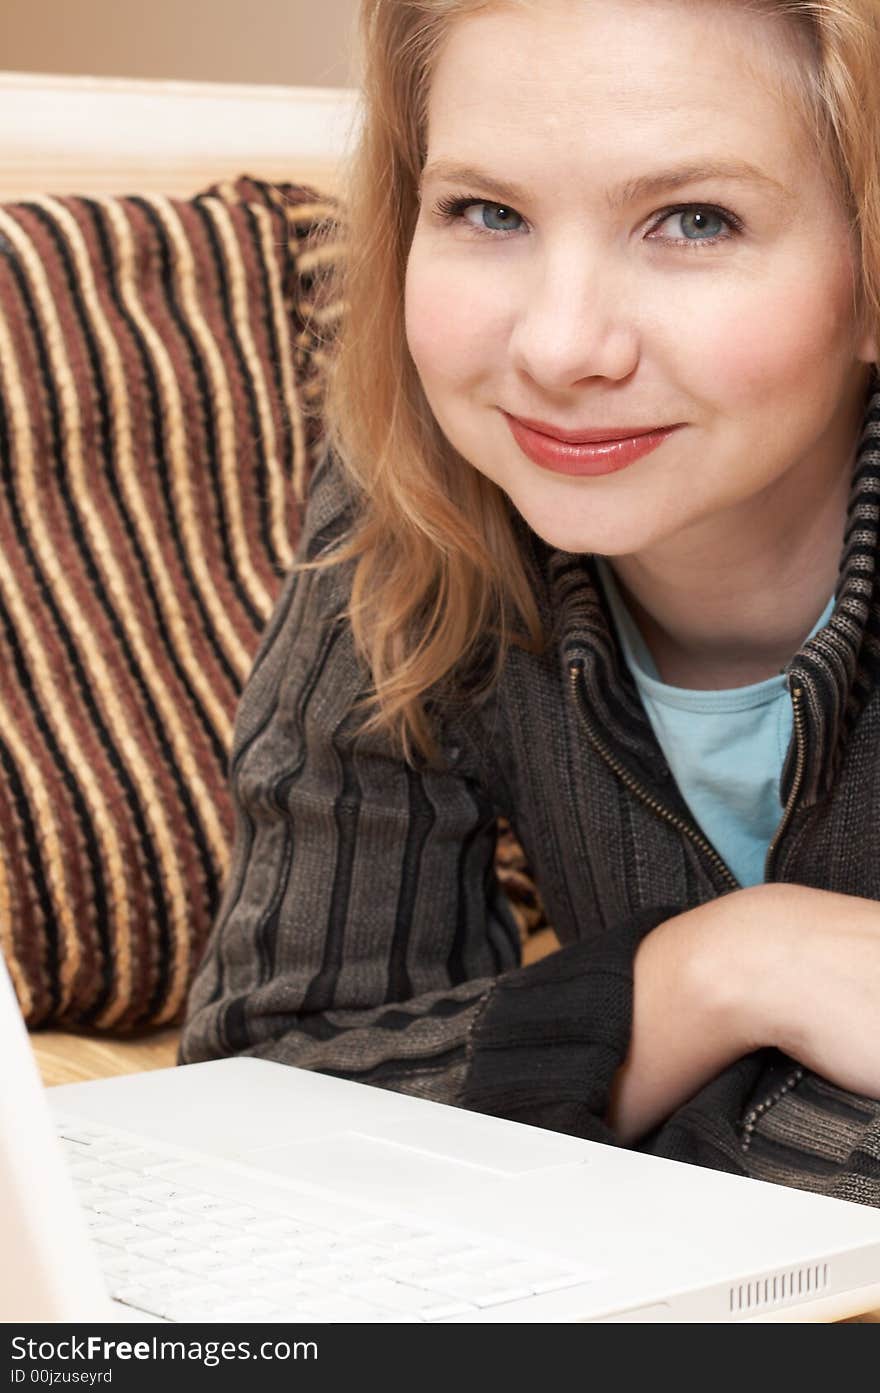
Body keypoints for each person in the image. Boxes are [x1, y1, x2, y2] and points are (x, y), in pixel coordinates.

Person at [180, 0, 880, 1205]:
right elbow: (260, 1091)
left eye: (694, 221)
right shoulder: (419, 498)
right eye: (486, 212)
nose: (559, 349)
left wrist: (588, 1082)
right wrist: (709, 977)